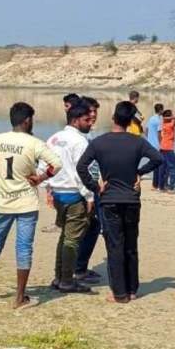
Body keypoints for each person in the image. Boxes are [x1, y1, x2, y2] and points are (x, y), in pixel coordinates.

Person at [0, 102, 63, 310]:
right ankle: (19, 297)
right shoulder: (34, 143)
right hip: (26, 203)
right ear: (27, 120)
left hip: (3, 202)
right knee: (23, 248)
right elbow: (56, 164)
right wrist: (40, 178)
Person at [78, 101, 163, 303]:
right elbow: (158, 158)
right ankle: (132, 289)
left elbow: (81, 166)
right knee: (131, 244)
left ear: (113, 118)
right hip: (131, 199)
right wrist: (139, 172)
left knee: (115, 245)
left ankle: (120, 293)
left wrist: (95, 186)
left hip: (109, 200)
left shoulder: (99, 142)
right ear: (130, 121)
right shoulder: (137, 142)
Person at [42, 102, 96, 294]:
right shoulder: (79, 142)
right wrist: (89, 196)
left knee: (65, 236)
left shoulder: (54, 138)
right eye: (86, 120)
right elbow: (82, 171)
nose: (90, 123)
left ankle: (59, 276)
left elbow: (44, 165)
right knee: (72, 239)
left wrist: (47, 187)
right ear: (75, 120)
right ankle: (66, 280)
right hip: (74, 194)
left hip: (58, 193)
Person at [73, 96, 105, 283]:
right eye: (89, 112)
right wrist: (89, 194)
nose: (93, 115)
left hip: (92, 187)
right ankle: (77, 268)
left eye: (95, 111)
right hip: (85, 189)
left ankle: (80, 266)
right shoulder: (80, 137)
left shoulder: (89, 135)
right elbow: (78, 167)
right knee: (86, 228)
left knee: (92, 227)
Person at [157, 110, 175, 192]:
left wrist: (166, 116)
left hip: (162, 147)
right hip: (169, 148)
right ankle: (171, 187)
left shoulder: (163, 123)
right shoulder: (171, 124)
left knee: (162, 167)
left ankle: (161, 186)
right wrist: (172, 117)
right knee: (173, 168)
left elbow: (165, 117)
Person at [146, 103, 165, 190]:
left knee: (154, 164)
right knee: (159, 165)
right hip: (157, 145)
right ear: (160, 110)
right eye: (162, 109)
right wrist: (161, 143)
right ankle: (157, 185)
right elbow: (159, 133)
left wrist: (148, 138)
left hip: (150, 144)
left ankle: (154, 184)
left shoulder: (151, 118)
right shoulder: (158, 120)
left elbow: (146, 129)